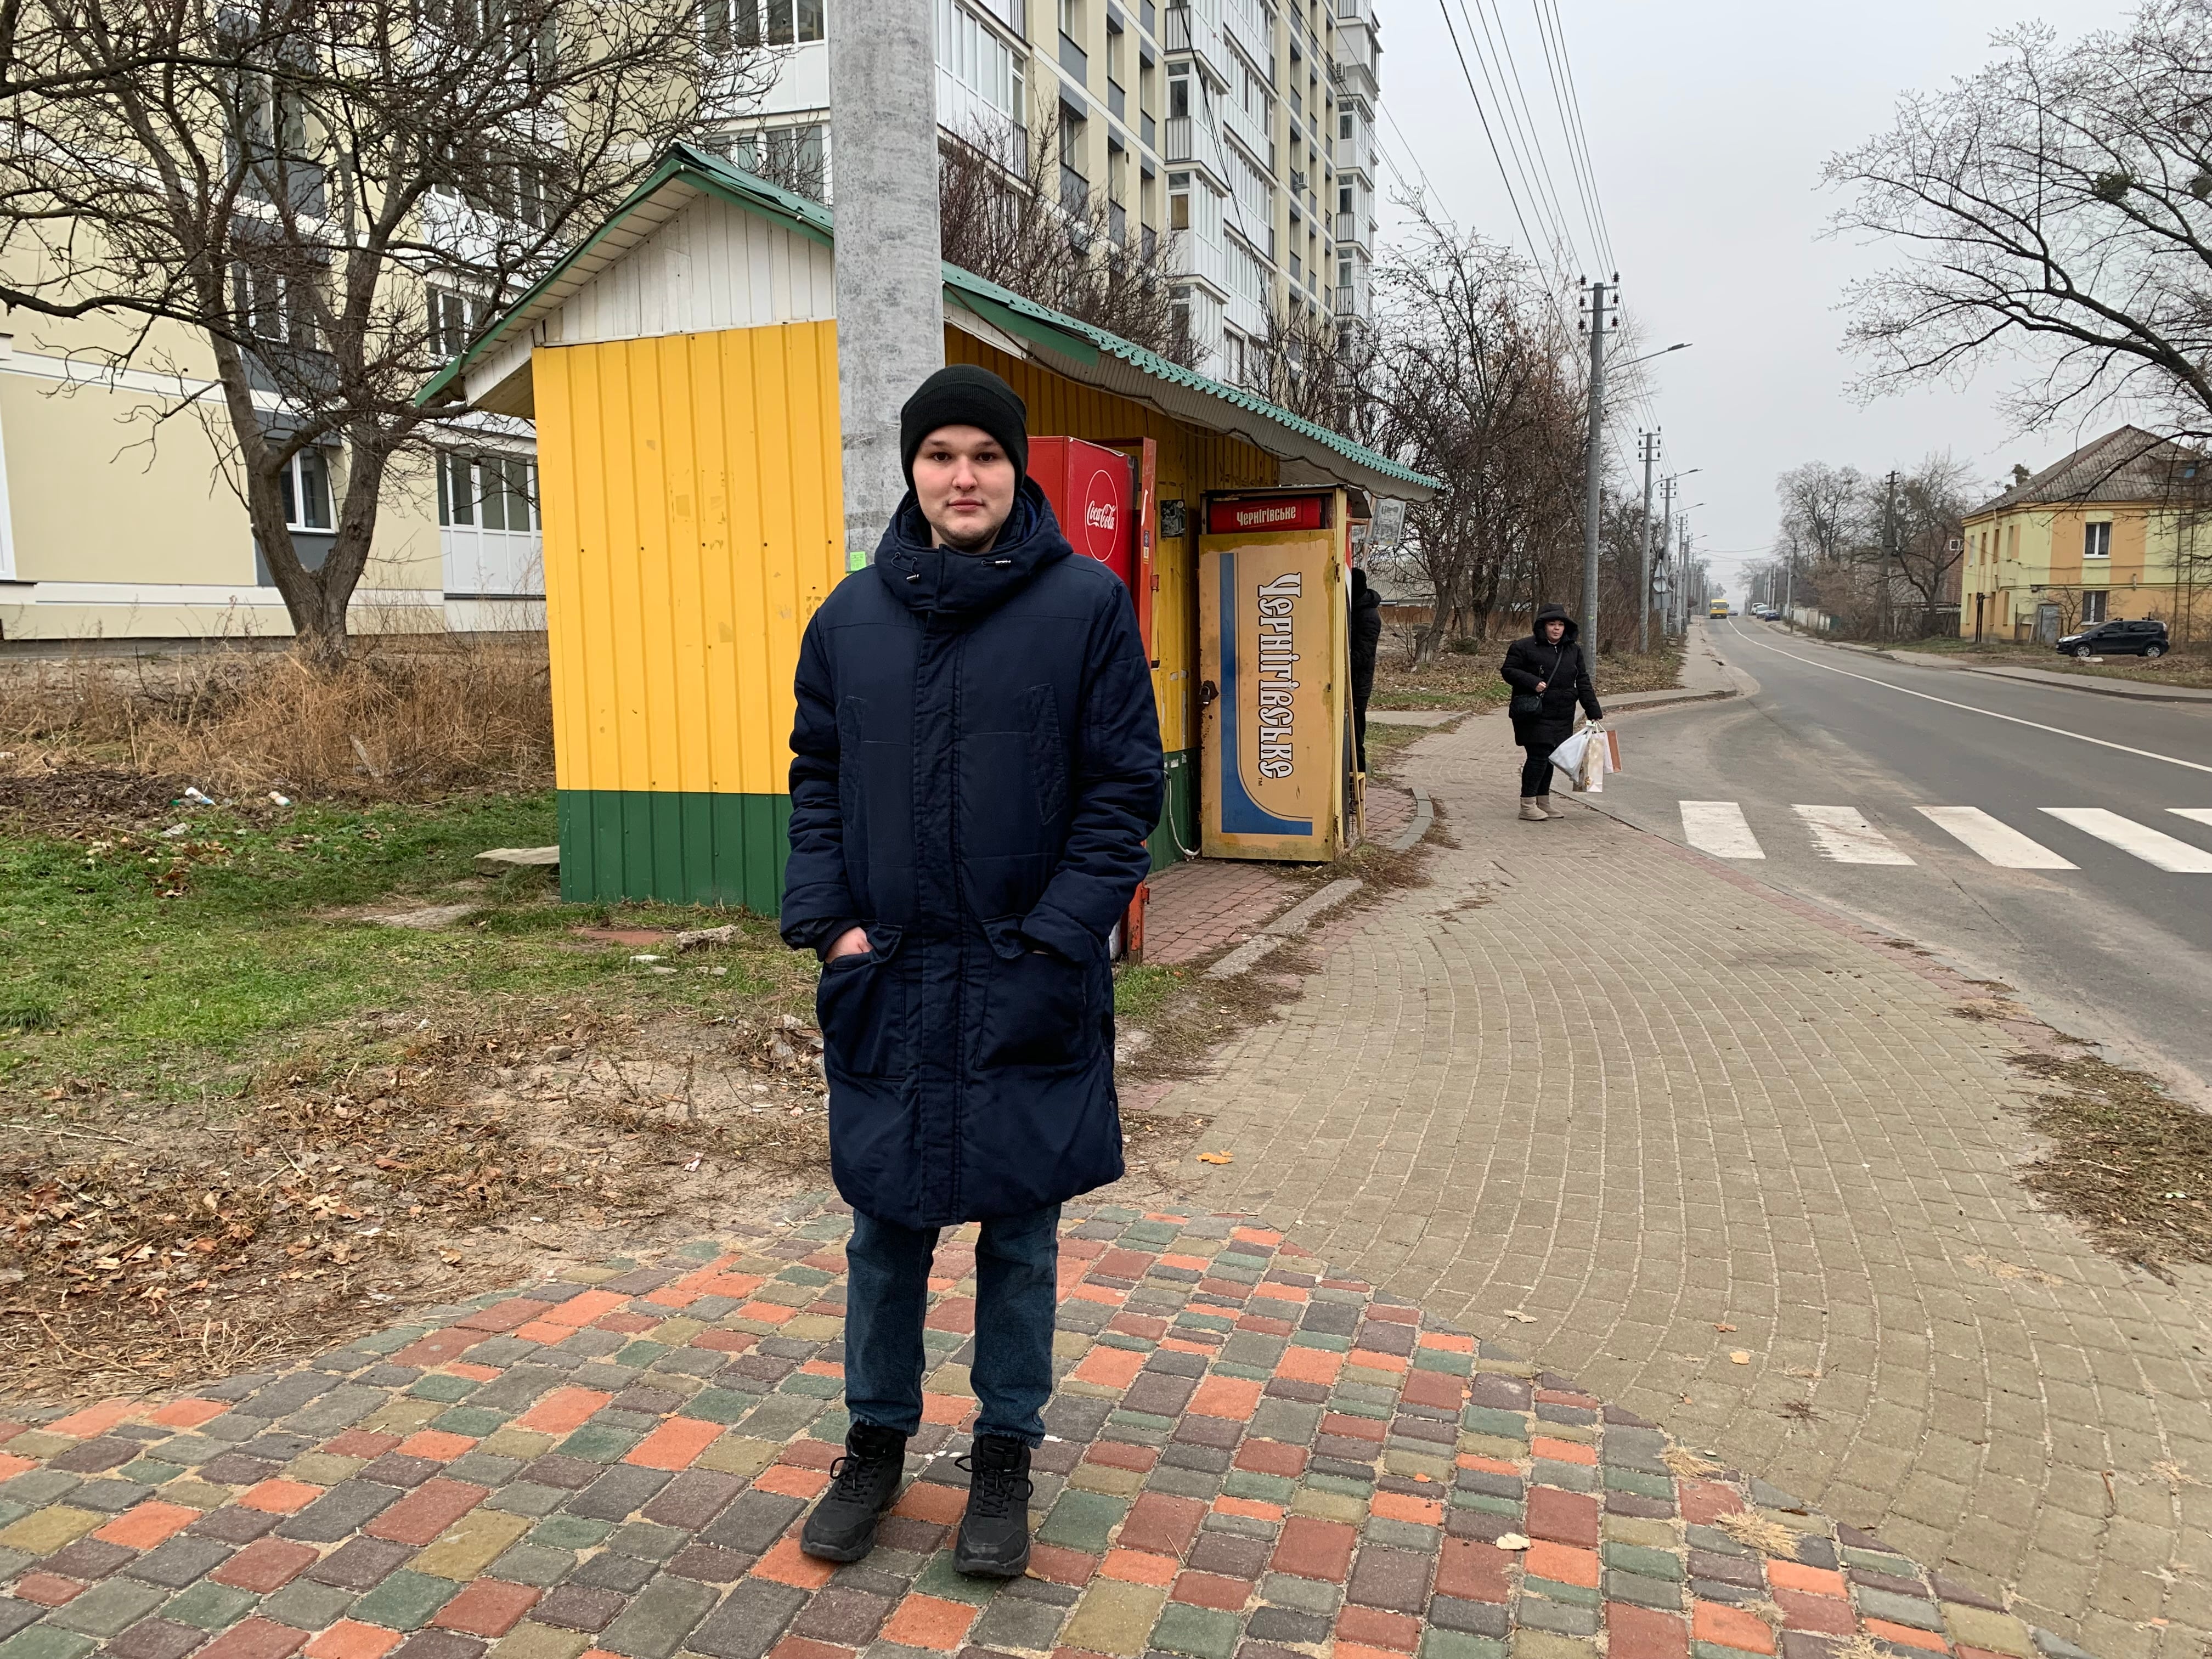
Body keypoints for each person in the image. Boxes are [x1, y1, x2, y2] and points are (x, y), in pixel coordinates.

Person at [781, 363, 1164, 1578]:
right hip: (892, 978)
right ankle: (875, 1447)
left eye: (985, 456)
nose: (963, 477)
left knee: (1021, 1236)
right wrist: (835, 927)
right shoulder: (849, 619)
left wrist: (1060, 936)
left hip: (1023, 975)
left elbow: (1123, 794)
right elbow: (816, 785)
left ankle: (1003, 1456)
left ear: (1016, 471)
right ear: (912, 470)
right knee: (884, 1236)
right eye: (941, 454)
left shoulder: (1086, 607)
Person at [1500, 602, 1602, 820]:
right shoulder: (1524, 647)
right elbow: (1508, 671)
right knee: (1538, 756)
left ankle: (1543, 801)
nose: (1556, 629)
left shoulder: (1573, 650)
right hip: (1534, 712)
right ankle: (1527, 805)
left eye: (1560, 625)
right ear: (1543, 626)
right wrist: (1533, 682)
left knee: (1551, 758)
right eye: (1552, 624)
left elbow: (1582, 680)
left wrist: (1592, 709)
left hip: (1563, 713)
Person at [1347, 560, 1382, 772]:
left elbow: (1362, 655)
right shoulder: (1356, 609)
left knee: (1356, 734)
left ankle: (1358, 778)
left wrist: (1337, 663)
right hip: (1352, 682)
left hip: (1357, 686)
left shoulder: (1368, 616)